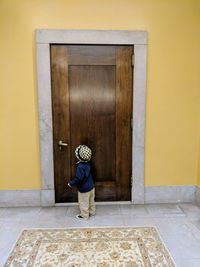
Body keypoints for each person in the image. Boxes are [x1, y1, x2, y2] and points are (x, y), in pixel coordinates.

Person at [68, 145, 95, 219]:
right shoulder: (88, 164)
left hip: (84, 189)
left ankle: (84, 215)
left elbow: (78, 178)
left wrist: (71, 183)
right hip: (91, 187)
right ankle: (92, 212)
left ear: (79, 157)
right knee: (91, 200)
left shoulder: (80, 167)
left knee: (84, 202)